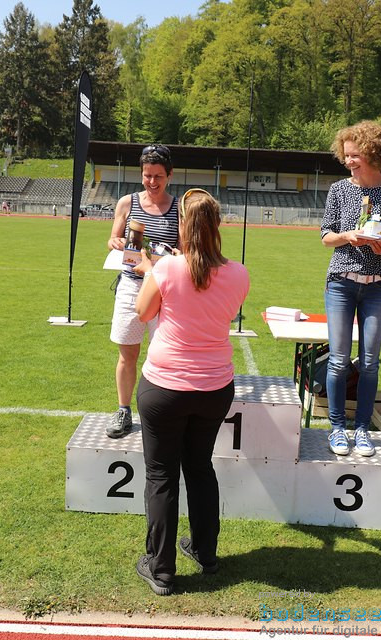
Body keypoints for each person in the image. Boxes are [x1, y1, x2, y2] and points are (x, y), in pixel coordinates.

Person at [131, 188, 249, 595]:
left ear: (182, 226)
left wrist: (151, 270)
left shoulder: (165, 268)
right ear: (217, 226)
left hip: (165, 386)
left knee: (161, 475)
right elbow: (215, 301)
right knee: (199, 468)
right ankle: (205, 551)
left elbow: (143, 312)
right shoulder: (239, 273)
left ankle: (161, 568)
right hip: (214, 387)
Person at [320, 121, 381, 457]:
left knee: (370, 362)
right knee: (339, 361)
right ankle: (337, 428)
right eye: (346, 156)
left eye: (354, 155)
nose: (348, 161)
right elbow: (326, 235)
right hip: (341, 283)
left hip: (378, 287)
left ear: (373, 153)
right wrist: (348, 237)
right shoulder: (339, 190)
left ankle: (363, 430)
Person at [104, 144, 180, 439]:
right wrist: (115, 242)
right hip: (131, 286)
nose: (152, 182)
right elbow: (113, 236)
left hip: (165, 290)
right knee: (127, 353)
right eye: (147, 175)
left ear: (169, 175)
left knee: (164, 355)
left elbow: (184, 251)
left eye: (158, 176)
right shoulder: (127, 203)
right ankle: (123, 410)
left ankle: (163, 413)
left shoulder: (177, 209)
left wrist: (170, 255)